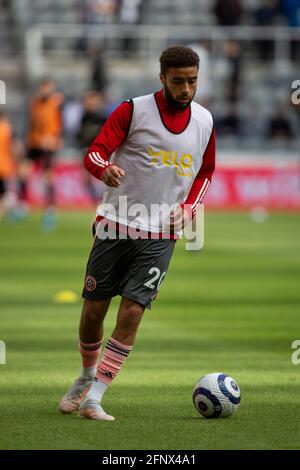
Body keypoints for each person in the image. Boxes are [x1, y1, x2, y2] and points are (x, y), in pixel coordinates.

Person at [59, 45, 216, 421]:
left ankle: (96, 397)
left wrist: (191, 207)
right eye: (178, 81)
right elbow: (94, 153)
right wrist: (104, 170)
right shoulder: (133, 110)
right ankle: (84, 376)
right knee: (94, 309)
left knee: (132, 313)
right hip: (116, 223)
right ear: (162, 77)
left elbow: (205, 172)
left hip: (161, 232)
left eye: (192, 81)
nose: (185, 89)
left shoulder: (205, 121)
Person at [20, 79, 63, 228]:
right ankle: (23, 204)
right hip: (35, 142)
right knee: (23, 172)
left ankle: (50, 210)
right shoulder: (35, 103)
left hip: (48, 143)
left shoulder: (56, 103)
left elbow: (60, 123)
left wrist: (56, 139)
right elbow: (32, 123)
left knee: (48, 177)